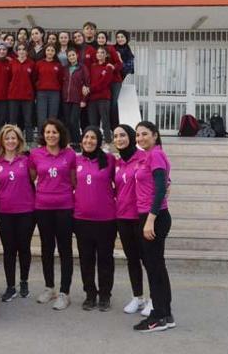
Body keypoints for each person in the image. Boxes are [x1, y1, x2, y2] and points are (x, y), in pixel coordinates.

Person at [28, 119, 77, 311]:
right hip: (42, 207)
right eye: (47, 132)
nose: (51, 135)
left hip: (65, 206)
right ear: (43, 134)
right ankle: (50, 288)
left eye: (54, 132)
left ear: (60, 134)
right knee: (46, 248)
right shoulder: (35, 154)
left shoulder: (70, 154)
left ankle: (65, 292)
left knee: (65, 249)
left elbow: (74, 181)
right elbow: (32, 178)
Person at [133, 121, 175, 332]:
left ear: (155, 135)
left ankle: (158, 316)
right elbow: (164, 182)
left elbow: (159, 189)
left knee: (154, 267)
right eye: (138, 135)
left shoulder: (156, 155)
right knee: (157, 266)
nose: (140, 138)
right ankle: (165, 313)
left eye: (144, 134)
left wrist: (150, 220)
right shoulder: (149, 155)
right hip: (151, 215)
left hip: (154, 217)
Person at [74, 127, 117, 312]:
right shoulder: (76, 160)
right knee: (86, 259)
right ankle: (90, 294)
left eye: (93, 138)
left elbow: (119, 183)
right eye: (86, 137)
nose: (89, 141)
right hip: (81, 219)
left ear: (99, 141)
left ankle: (105, 295)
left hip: (106, 220)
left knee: (105, 259)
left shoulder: (110, 160)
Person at [0, 125, 35, 302]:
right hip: (4, 212)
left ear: (19, 140)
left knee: (24, 248)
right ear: (2, 141)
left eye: (13, 138)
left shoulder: (27, 159)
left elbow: (34, 177)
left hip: (26, 210)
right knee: (9, 249)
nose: (10, 141)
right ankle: (10, 286)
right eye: (7, 138)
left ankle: (24, 281)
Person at [113, 124, 150, 316]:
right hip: (122, 216)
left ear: (131, 137)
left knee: (148, 259)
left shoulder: (144, 157)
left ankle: (154, 299)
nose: (119, 139)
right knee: (132, 259)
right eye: (116, 136)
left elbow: (162, 182)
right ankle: (138, 297)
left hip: (141, 217)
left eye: (123, 135)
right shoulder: (118, 163)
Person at [61, 48, 90, 151]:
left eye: (73, 55)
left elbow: (87, 84)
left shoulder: (82, 68)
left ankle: (77, 143)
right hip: (66, 99)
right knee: (67, 122)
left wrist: (84, 100)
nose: (71, 57)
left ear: (77, 55)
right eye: (69, 56)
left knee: (74, 121)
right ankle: (69, 143)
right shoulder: (65, 68)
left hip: (77, 99)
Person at [8, 43, 36, 143]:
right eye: (19, 49)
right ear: (16, 51)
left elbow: (34, 80)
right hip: (13, 96)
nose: (21, 51)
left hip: (27, 97)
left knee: (28, 121)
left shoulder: (31, 63)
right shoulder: (12, 63)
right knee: (12, 121)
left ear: (27, 51)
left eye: (24, 49)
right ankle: (12, 141)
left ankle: (29, 143)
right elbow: (8, 79)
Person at [96, 31, 124, 129]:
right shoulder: (96, 50)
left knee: (113, 105)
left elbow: (119, 64)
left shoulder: (111, 49)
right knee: (103, 105)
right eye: (99, 38)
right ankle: (104, 129)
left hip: (114, 81)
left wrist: (113, 67)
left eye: (103, 38)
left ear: (106, 39)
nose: (101, 40)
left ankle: (114, 128)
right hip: (102, 82)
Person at [35, 44, 63, 135]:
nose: (50, 52)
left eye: (52, 50)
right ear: (45, 51)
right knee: (41, 117)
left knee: (53, 117)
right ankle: (41, 137)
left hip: (54, 93)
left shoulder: (58, 65)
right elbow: (35, 77)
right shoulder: (39, 64)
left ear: (55, 53)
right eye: (48, 50)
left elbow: (60, 79)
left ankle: (52, 136)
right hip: (41, 93)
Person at [88, 47, 115, 143]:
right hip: (92, 98)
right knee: (93, 122)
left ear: (106, 55)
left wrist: (90, 89)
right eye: (98, 52)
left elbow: (104, 83)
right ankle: (95, 142)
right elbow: (89, 80)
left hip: (103, 98)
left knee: (105, 122)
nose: (99, 54)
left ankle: (108, 142)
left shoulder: (108, 67)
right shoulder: (92, 66)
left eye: (102, 52)